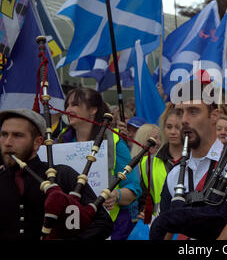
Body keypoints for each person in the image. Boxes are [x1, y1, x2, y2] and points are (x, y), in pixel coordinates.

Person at [157, 79, 227, 240]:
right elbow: (166, 229)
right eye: (180, 112)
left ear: (214, 115)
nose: (184, 120)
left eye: (193, 111)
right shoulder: (174, 175)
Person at [0, 108, 113, 240]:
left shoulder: (62, 176)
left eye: (17, 135)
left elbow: (101, 223)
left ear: (37, 142)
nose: (7, 142)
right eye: (4, 134)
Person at [57, 87, 142, 240]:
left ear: (93, 110)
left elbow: (133, 188)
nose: (69, 109)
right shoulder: (60, 142)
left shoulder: (115, 143)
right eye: (67, 105)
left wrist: (116, 195)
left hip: (110, 228)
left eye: (75, 104)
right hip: (69, 228)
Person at [138, 105, 183, 224]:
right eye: (169, 127)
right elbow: (143, 198)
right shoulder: (147, 162)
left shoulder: (196, 159)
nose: (173, 132)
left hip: (187, 227)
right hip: (159, 224)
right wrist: (143, 211)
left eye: (178, 127)